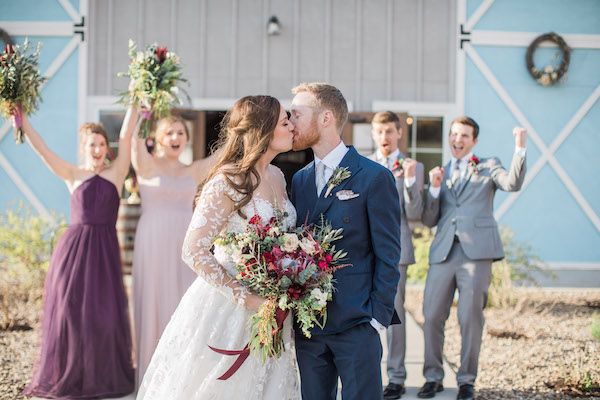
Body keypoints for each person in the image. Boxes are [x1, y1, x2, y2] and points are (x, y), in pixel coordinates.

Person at [137, 95, 300, 400]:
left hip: (275, 306)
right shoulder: (227, 181)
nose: (292, 127)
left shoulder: (278, 176)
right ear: (263, 131)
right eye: (284, 121)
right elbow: (193, 250)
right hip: (230, 306)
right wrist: (247, 298)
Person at [289, 83, 401, 400]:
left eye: (297, 114)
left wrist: (376, 320)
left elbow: (389, 255)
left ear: (325, 117)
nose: (290, 121)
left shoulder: (374, 177)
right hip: (310, 328)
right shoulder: (300, 180)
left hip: (358, 324)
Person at [21, 107, 139, 398]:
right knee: (71, 314)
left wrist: (137, 96)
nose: (98, 149)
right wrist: (22, 121)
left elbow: (125, 137)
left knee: (106, 315)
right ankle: (71, 375)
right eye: (92, 144)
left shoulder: (116, 172)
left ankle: (101, 375)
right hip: (73, 254)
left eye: (101, 143)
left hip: (105, 254)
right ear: (84, 147)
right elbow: (42, 151)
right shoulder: (72, 174)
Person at [417, 117, 527, 400]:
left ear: (474, 141)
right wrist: (434, 188)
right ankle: (433, 377)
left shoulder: (489, 165)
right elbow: (429, 219)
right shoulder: (440, 171)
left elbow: (512, 183)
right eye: (454, 134)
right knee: (430, 317)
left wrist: (520, 148)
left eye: (464, 135)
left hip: (476, 254)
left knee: (470, 318)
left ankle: (466, 381)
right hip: (443, 253)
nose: (458, 139)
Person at [131, 115, 217, 385]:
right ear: (158, 138)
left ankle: (184, 378)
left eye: (180, 133)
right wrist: (138, 106)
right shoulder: (145, 164)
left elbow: (228, 151)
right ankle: (152, 379)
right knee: (154, 301)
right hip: (152, 242)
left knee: (185, 302)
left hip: (184, 244)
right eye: (169, 133)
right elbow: (130, 139)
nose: (175, 138)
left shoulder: (193, 170)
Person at [368, 111, 424, 399]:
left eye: (389, 131)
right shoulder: (364, 164)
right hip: (366, 251)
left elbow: (416, 215)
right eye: (379, 132)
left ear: (399, 132)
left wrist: (412, 183)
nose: (384, 137)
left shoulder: (414, 166)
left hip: (397, 252)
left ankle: (397, 377)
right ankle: (367, 375)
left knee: (394, 314)